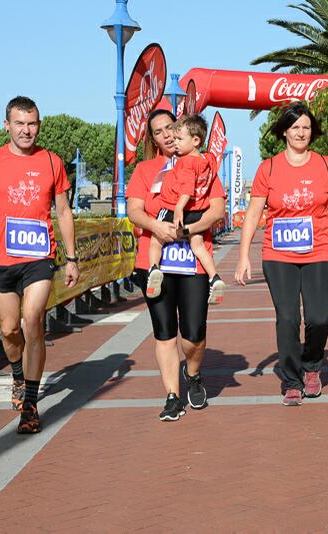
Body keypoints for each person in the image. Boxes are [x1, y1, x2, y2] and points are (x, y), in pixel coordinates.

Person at [0, 96, 79, 433]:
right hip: (2, 260)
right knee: (10, 330)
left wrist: (72, 257)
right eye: (20, 124)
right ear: (7, 126)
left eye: (32, 124)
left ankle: (30, 402)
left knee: (32, 321)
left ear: (38, 125)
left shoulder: (52, 161)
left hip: (40, 259)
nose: (27, 131)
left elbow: (63, 211)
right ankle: (17, 373)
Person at [234, 102, 328, 406]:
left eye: (306, 127)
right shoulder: (269, 168)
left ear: (312, 131)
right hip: (278, 255)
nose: (301, 133)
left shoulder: (326, 165)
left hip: (319, 249)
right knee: (288, 318)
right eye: (295, 127)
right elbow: (253, 214)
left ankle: (312, 365)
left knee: (319, 319)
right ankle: (292, 380)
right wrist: (243, 256)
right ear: (285, 132)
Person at [126, 109, 225, 421]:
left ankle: (193, 374)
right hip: (155, 260)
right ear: (152, 140)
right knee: (164, 331)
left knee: (193, 335)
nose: (166, 135)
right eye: (157, 132)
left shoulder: (202, 163)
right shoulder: (145, 170)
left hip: (192, 259)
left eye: (170, 127)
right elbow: (134, 210)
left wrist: (188, 230)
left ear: (182, 130)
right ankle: (172, 395)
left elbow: (217, 210)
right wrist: (158, 227)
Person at [146, 113, 225, 305]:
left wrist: (179, 207)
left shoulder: (186, 162)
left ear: (196, 140)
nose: (176, 143)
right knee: (197, 246)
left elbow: (187, 188)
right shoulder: (208, 161)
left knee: (156, 240)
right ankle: (214, 277)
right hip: (197, 212)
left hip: (173, 206)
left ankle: (153, 269)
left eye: (180, 139)